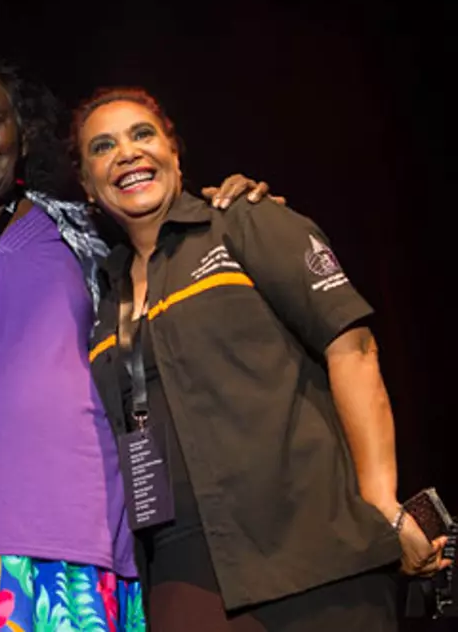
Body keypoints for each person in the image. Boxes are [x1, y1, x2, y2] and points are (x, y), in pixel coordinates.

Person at [0, 56, 273, 632]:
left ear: (23, 132)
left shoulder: (91, 235)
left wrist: (231, 210)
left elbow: (171, 233)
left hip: (83, 554)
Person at [73, 86, 449, 630]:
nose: (126, 152)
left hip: (311, 549)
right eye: (102, 147)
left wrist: (380, 504)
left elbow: (354, 349)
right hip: (183, 570)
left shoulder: (245, 222)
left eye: (142, 134)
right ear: (87, 186)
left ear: (175, 153)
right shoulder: (105, 295)